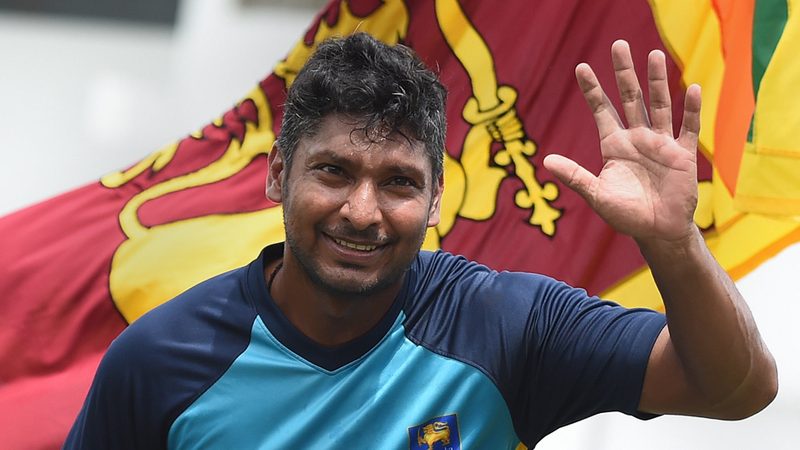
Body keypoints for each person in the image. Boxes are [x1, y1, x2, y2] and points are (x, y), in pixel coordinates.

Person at [64, 33, 777, 449]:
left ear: (437, 199)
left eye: (399, 183)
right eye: (334, 172)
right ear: (279, 174)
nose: (362, 212)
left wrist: (675, 245)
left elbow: (739, 389)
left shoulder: (506, 326)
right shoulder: (161, 362)